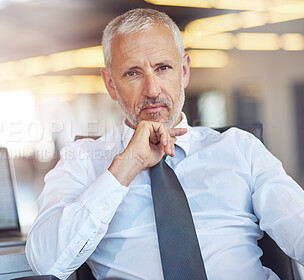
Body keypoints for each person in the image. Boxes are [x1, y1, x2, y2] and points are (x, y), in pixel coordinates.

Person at [26, 8, 304, 280]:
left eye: (163, 68)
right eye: (132, 73)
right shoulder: (83, 160)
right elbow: (46, 263)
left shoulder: (240, 149)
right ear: (110, 84)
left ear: (183, 71)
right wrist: (124, 168)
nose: (152, 90)